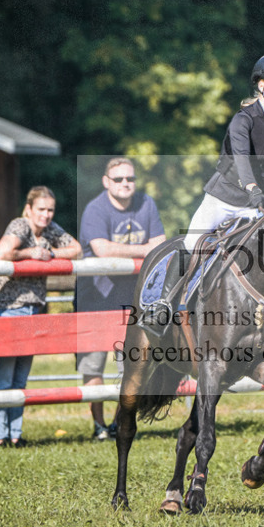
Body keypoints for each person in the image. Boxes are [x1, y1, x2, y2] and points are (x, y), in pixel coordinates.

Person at [140, 53, 264, 353]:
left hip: (254, 203)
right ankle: (162, 307)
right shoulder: (243, 120)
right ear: (261, 85)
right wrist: (252, 190)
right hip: (222, 198)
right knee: (191, 244)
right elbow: (242, 160)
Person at [73, 157, 166, 441]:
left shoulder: (145, 203)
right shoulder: (95, 209)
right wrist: (144, 248)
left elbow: (160, 245)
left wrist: (133, 250)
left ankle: (119, 424)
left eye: (130, 179)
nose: (125, 184)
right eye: (118, 179)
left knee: (131, 366)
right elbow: (101, 249)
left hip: (133, 302)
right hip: (95, 300)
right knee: (93, 366)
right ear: (106, 182)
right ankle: (99, 426)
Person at [0, 186, 81, 448]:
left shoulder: (50, 229)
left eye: (50, 210)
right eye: (41, 209)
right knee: (3, 375)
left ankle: (14, 436)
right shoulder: (20, 225)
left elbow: (76, 249)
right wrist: (31, 253)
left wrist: (50, 254)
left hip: (33, 309)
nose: (46, 215)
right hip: (7, 307)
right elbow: (2, 252)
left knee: (20, 377)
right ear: (29, 209)